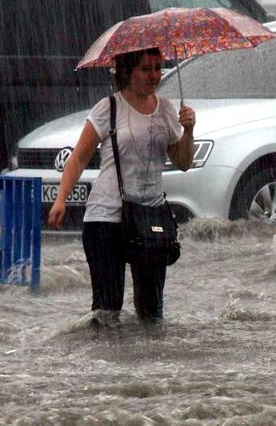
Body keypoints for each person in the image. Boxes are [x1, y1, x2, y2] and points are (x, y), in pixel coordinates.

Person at [47, 47, 196, 325]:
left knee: (152, 315)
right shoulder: (108, 108)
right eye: (146, 68)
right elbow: (79, 158)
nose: (154, 75)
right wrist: (61, 198)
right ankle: (106, 365)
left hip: (150, 218)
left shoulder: (165, 110)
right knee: (107, 312)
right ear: (128, 72)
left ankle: (146, 367)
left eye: (157, 67)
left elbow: (184, 162)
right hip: (106, 219)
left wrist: (188, 130)